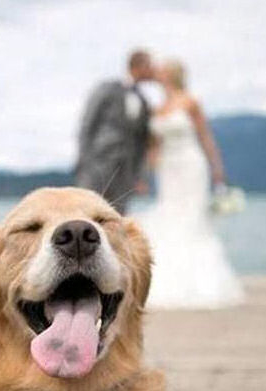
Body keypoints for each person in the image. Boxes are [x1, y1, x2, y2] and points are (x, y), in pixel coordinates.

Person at [138, 59, 244, 309]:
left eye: (162, 70)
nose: (158, 74)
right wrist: (145, 172)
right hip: (167, 170)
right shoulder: (158, 108)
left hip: (191, 165)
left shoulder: (190, 102)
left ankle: (201, 284)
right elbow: (154, 146)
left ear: (172, 75)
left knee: (192, 220)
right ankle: (166, 280)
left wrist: (218, 170)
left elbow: (205, 137)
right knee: (169, 216)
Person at [75, 49, 154, 214]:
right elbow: (87, 125)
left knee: (117, 217)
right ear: (138, 66)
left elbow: (142, 143)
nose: (152, 70)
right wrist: (84, 163)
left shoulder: (144, 101)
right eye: (149, 65)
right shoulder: (107, 88)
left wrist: (139, 176)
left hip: (125, 172)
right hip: (97, 164)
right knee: (87, 212)